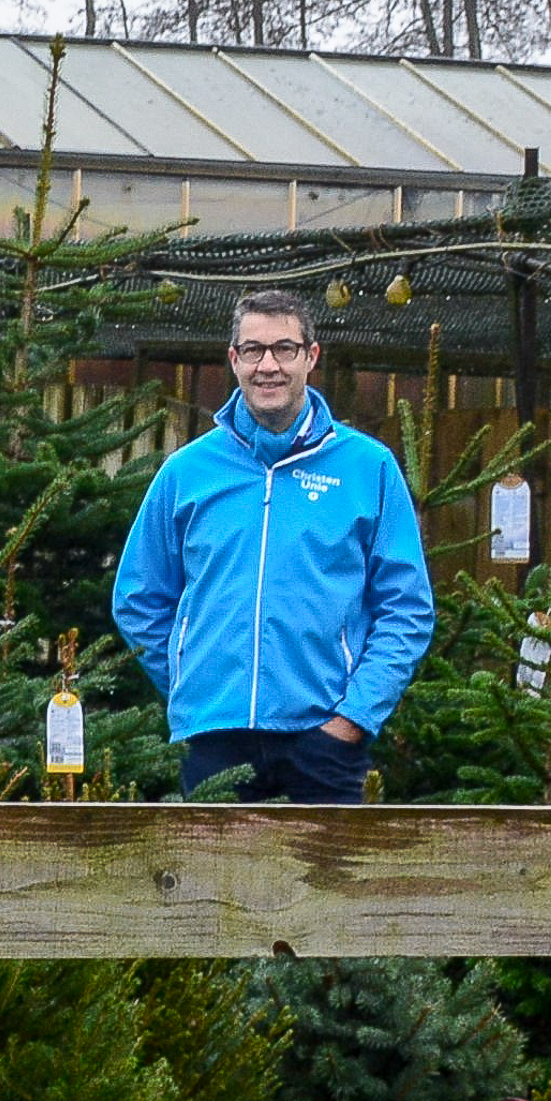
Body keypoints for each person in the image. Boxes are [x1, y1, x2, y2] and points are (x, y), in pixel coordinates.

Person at [110, 287, 436, 805]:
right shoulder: (186, 472)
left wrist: (353, 717)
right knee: (211, 865)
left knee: (326, 864)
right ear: (233, 359)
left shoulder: (367, 468)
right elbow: (138, 598)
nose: (268, 366)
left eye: (284, 348)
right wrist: (194, 685)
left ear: (311, 356)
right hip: (214, 739)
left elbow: (407, 608)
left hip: (326, 741)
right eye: (253, 350)